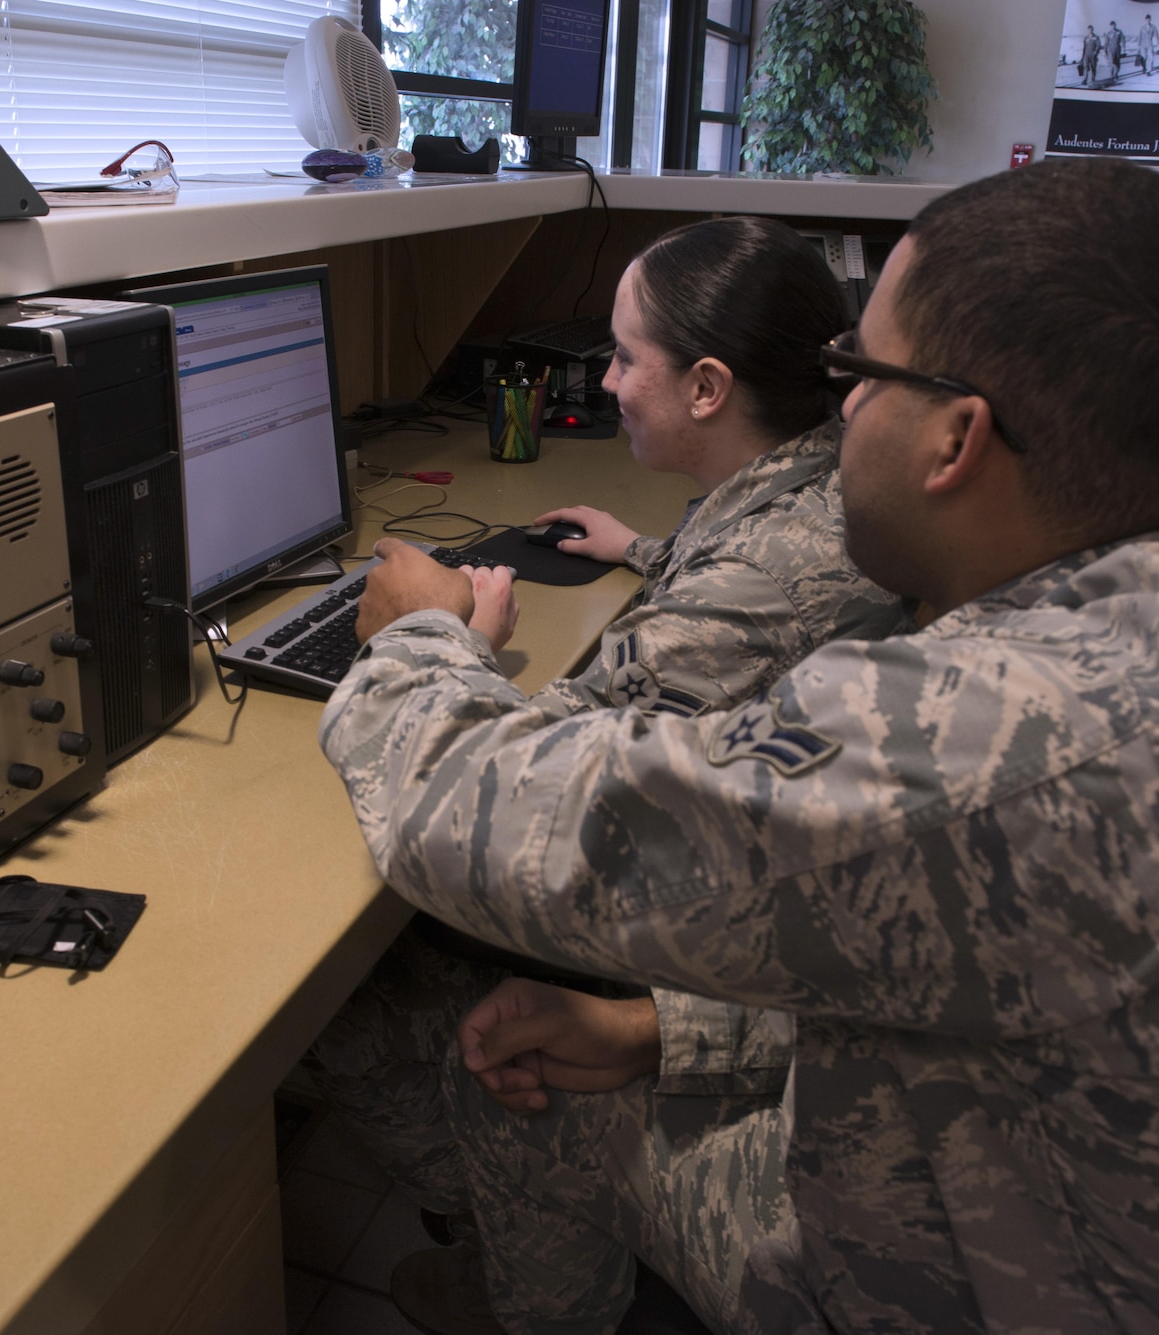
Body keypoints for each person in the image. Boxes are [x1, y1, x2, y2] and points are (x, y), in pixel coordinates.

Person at [320, 157, 1159, 1332]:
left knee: (521, 1101)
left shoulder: (1006, 733)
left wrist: (422, 640)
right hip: (1135, 1234)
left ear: (955, 437)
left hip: (1035, 1283)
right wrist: (665, 1029)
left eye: (859, 371)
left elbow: (476, 819)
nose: (837, 405)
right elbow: (960, 945)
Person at [304, 216, 908, 1335]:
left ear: (708, 387)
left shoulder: (767, 579)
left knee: (341, 994)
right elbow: (745, 585)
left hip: (734, 960)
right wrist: (640, 553)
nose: (607, 378)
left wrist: (434, 637)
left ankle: (498, 1263)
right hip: (778, 911)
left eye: (626, 357)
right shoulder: (809, 489)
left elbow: (516, 787)